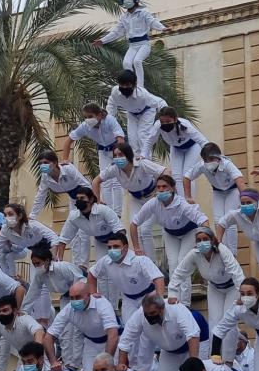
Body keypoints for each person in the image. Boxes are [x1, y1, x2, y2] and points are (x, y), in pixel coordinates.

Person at [131, 174, 209, 305]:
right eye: (158, 187)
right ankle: (174, 300)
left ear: (172, 188)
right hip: (170, 234)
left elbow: (204, 221)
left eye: (164, 187)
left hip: (189, 232)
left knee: (183, 263)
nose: (161, 190)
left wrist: (206, 241)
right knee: (173, 265)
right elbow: (134, 224)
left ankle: (185, 304)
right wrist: (137, 248)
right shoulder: (153, 203)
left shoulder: (182, 204)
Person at [93, 142, 167, 255]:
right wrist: (97, 202)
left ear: (128, 154)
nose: (118, 158)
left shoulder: (140, 163)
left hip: (152, 198)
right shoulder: (114, 169)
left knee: (145, 230)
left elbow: (164, 171)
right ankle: (143, 260)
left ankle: (152, 264)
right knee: (135, 228)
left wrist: (160, 190)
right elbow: (96, 181)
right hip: (135, 200)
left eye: (121, 154)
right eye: (115, 155)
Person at [54, 187, 123, 308]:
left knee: (112, 273)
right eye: (77, 198)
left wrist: (119, 249)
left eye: (83, 198)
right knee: (101, 273)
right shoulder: (74, 216)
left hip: (115, 241)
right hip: (100, 241)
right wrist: (59, 260)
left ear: (91, 199)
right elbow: (64, 239)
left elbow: (120, 229)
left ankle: (114, 307)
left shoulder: (103, 210)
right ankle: (105, 305)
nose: (79, 201)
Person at [168, 227, 244, 336]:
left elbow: (236, 271)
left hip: (232, 288)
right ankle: (214, 353)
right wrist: (172, 293)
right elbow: (179, 273)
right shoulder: (194, 254)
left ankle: (229, 353)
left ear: (212, 240)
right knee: (214, 322)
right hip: (214, 288)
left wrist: (242, 293)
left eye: (205, 239)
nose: (202, 242)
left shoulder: (222, 250)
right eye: (199, 240)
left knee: (229, 321)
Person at [45, 281, 119, 371]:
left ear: (88, 295)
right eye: (72, 298)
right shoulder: (69, 309)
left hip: (111, 342)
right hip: (91, 344)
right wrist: (53, 362)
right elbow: (48, 337)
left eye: (78, 297)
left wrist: (107, 360)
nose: (75, 301)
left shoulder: (102, 304)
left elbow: (113, 335)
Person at [92, 0, 166, 88]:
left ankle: (140, 86)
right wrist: (102, 41)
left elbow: (152, 21)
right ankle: (131, 84)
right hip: (133, 45)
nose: (126, 0)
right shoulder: (124, 17)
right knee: (126, 63)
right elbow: (116, 32)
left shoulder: (143, 13)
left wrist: (162, 28)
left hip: (143, 44)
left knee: (137, 61)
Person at [87, 232, 166, 329]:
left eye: (116, 246)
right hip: (128, 300)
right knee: (129, 329)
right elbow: (91, 274)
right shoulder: (106, 261)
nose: (112, 250)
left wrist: (159, 301)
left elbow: (158, 278)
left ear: (125, 248)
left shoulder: (140, 260)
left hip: (148, 296)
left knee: (152, 328)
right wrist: (93, 293)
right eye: (109, 247)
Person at [63, 102, 126, 216]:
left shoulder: (109, 120)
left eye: (90, 116)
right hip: (103, 151)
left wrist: (120, 156)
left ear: (99, 115)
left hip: (117, 149)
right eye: (85, 117)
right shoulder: (85, 126)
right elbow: (69, 140)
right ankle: (109, 211)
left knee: (116, 181)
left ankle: (117, 213)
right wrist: (64, 159)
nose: (87, 119)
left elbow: (120, 138)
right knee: (104, 180)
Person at [30, 150, 92, 265]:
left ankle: (83, 265)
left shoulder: (68, 169)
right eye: (41, 163)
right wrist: (32, 216)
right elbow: (41, 195)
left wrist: (90, 203)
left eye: (46, 162)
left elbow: (86, 185)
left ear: (54, 162)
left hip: (86, 198)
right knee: (74, 235)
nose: (43, 165)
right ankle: (77, 264)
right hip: (73, 200)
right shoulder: (45, 177)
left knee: (83, 232)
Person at [183, 142, 246, 253]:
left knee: (230, 220)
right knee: (218, 220)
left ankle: (232, 253)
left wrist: (245, 199)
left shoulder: (226, 164)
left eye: (211, 159)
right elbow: (187, 177)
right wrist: (188, 196)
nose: (208, 162)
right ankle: (221, 247)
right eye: (206, 160)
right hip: (218, 192)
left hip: (232, 190)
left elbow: (239, 180)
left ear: (218, 157)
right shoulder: (202, 165)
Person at [21, 241, 86, 328]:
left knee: (81, 323)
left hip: (81, 294)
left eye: (38, 263)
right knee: (66, 326)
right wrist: (24, 311)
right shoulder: (40, 275)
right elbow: (33, 292)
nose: (36, 267)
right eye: (34, 264)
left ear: (47, 260)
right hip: (65, 297)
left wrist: (81, 296)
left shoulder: (61, 267)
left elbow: (81, 279)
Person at [106, 69, 167, 159]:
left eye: (127, 85)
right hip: (131, 114)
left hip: (147, 111)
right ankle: (137, 166)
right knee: (133, 140)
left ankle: (147, 166)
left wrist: (166, 113)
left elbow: (159, 102)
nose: (124, 87)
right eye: (121, 85)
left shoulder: (142, 95)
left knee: (143, 136)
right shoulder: (115, 92)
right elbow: (111, 105)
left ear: (134, 85)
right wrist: (109, 122)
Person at [150, 107, 208, 198]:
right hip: (176, 148)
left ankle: (190, 200)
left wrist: (211, 153)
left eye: (168, 121)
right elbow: (150, 140)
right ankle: (182, 201)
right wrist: (143, 155)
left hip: (192, 147)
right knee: (176, 176)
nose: (165, 124)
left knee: (188, 174)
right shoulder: (158, 125)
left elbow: (202, 140)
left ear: (175, 119)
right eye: (163, 122)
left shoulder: (184, 125)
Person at [0, 203, 59, 269]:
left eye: (10, 214)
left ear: (20, 216)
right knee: (38, 273)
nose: (7, 217)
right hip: (33, 250)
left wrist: (53, 254)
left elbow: (54, 237)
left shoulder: (32, 224)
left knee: (52, 269)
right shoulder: (5, 230)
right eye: (5, 215)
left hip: (47, 245)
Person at [0, 211, 27, 276]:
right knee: (1, 257)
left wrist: (11, 244)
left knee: (9, 256)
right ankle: (6, 275)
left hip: (22, 251)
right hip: (7, 254)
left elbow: (20, 248)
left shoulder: (10, 235)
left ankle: (13, 276)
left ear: (1, 228)